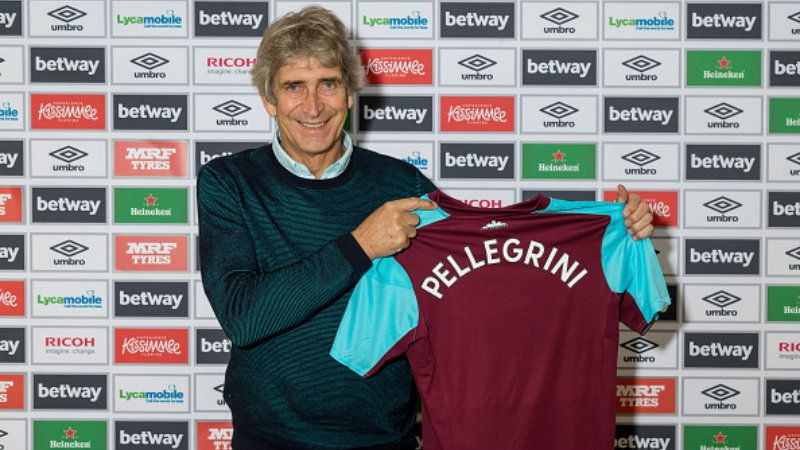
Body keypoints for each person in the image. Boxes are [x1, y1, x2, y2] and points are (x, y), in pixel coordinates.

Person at [197, 6, 654, 450]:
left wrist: (618, 233)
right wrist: (361, 245)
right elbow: (244, 316)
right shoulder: (228, 182)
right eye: (294, 87)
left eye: (328, 84)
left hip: (384, 438)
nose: (313, 106)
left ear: (351, 93)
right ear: (269, 100)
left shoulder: (402, 184)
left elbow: (484, 280)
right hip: (270, 440)